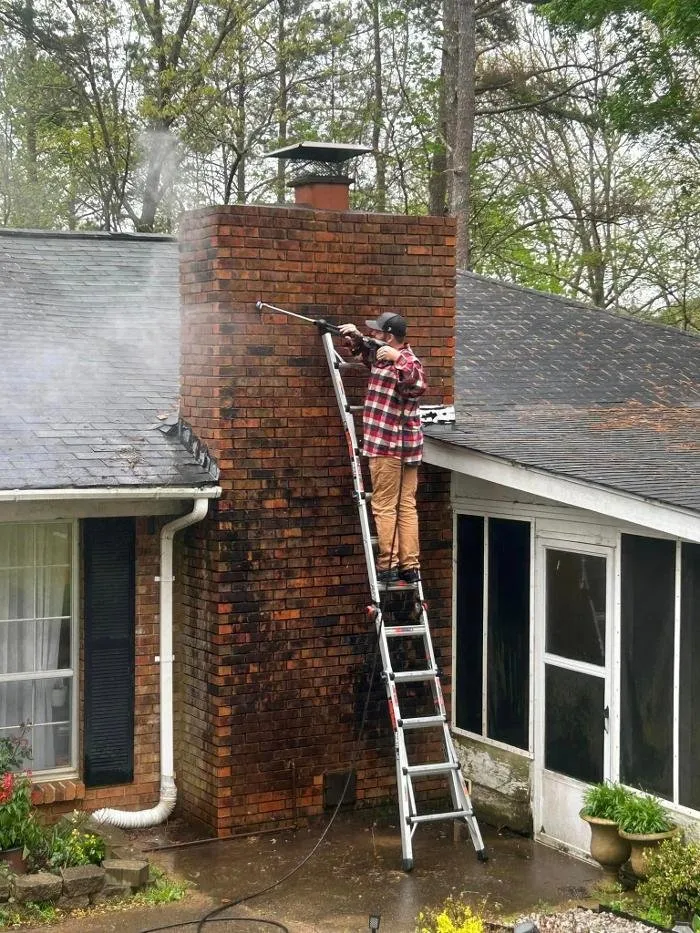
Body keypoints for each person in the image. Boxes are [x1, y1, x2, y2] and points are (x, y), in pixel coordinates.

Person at [339, 312, 427, 586]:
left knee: (386, 506)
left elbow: (417, 381)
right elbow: (368, 353)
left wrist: (398, 358)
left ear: (389, 336)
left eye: (378, 332)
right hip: (403, 447)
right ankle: (409, 566)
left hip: (389, 447)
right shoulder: (383, 358)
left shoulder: (407, 361)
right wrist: (355, 337)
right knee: (405, 506)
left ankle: (388, 565)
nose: (374, 335)